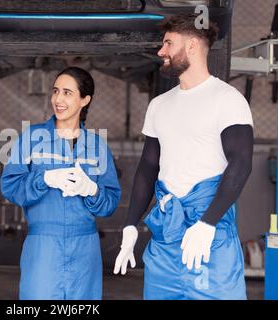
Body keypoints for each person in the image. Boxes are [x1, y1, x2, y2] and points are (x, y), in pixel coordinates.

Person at [113, 13, 253, 300]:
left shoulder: (226, 99)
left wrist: (207, 222)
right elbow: (148, 168)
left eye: (167, 43)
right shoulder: (159, 105)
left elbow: (241, 163)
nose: (160, 51)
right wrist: (130, 224)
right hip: (166, 235)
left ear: (191, 45)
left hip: (208, 235)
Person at [0, 67, 121, 300]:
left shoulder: (97, 146)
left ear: (85, 100)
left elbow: (110, 203)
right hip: (43, 245)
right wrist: (43, 179)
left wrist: (93, 190)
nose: (57, 99)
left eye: (67, 92)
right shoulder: (32, 138)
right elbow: (10, 186)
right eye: (56, 91)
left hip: (85, 247)